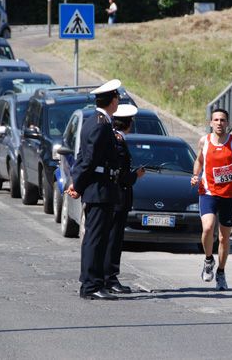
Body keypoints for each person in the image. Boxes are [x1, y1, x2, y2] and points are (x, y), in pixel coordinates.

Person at [65, 80, 121, 300]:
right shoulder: (100, 124)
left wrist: (75, 181)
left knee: (95, 237)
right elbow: (89, 160)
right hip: (99, 189)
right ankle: (91, 286)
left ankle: (92, 282)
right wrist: (77, 185)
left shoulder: (93, 121)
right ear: (113, 100)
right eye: (117, 97)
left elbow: (82, 157)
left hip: (99, 187)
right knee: (96, 239)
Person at [190, 109, 232, 291]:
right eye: (216, 120)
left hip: (229, 194)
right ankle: (208, 259)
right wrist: (195, 175)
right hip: (208, 192)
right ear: (211, 123)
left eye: (222, 120)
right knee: (208, 227)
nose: (219, 123)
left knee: (224, 237)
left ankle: (221, 272)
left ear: (227, 122)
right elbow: (199, 161)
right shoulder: (204, 141)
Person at [105, 104, 145, 294]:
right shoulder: (119, 142)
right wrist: (136, 175)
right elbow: (120, 175)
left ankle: (107, 276)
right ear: (129, 125)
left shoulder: (114, 138)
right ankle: (110, 278)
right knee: (114, 239)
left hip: (114, 198)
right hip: (118, 198)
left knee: (111, 238)